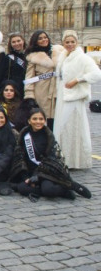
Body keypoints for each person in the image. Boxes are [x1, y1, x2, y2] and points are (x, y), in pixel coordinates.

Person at [9, 108, 92, 200]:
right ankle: (53, 189)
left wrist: (38, 177)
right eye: (35, 119)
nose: (38, 122)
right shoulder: (24, 135)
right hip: (31, 172)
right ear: (29, 121)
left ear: (44, 121)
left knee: (49, 191)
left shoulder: (48, 137)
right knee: (22, 188)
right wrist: (27, 177)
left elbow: (52, 160)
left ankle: (67, 188)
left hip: (47, 172)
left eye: (41, 119)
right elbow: (20, 158)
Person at [53, 30, 101, 169]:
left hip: (74, 97)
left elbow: (96, 74)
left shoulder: (83, 57)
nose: (70, 44)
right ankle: (62, 158)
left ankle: (74, 160)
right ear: (63, 43)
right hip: (63, 95)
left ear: (77, 42)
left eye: (72, 42)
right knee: (62, 128)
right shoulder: (63, 56)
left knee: (72, 127)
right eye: (67, 42)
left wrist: (78, 80)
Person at [24, 30, 61, 130]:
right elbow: (29, 78)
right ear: (35, 41)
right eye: (40, 38)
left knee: (58, 120)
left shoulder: (58, 52)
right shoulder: (32, 57)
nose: (44, 40)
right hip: (42, 92)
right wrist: (30, 96)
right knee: (44, 120)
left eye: (45, 37)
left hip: (57, 91)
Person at [6, 33, 27, 98]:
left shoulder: (30, 55)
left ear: (23, 41)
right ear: (11, 44)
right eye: (13, 42)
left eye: (18, 41)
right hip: (15, 89)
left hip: (28, 87)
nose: (16, 43)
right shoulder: (8, 57)